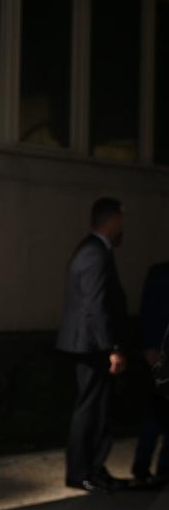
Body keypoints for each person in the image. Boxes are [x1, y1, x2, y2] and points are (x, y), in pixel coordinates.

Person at [57, 196, 129, 492]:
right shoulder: (94, 252)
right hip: (91, 345)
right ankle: (81, 471)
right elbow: (96, 304)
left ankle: (94, 468)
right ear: (112, 220)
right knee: (90, 408)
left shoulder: (95, 250)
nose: (123, 227)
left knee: (98, 408)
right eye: (121, 220)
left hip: (90, 343)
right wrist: (112, 348)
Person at [131, 261, 169, 488]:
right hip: (161, 355)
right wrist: (150, 351)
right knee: (155, 412)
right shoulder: (160, 275)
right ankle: (142, 467)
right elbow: (150, 314)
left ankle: (163, 469)